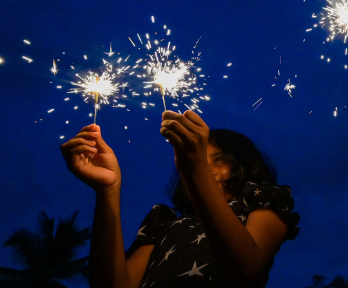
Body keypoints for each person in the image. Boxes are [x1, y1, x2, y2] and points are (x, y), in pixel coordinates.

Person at [60, 110, 299, 288]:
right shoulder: (166, 224)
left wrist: (195, 168)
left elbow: (246, 270)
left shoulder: (261, 202)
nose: (207, 169)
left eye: (218, 160)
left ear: (244, 165)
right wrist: (108, 189)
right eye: (199, 161)